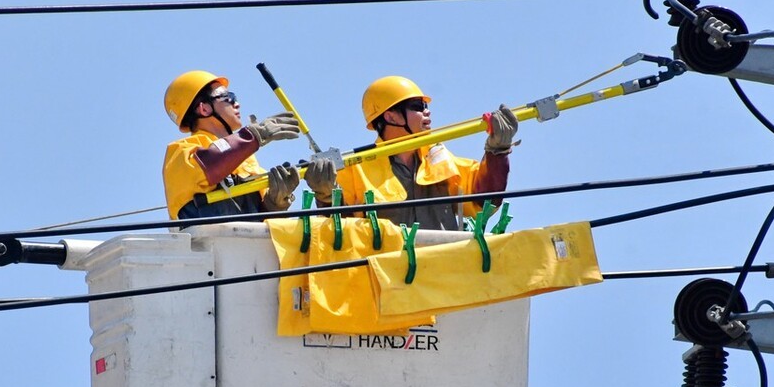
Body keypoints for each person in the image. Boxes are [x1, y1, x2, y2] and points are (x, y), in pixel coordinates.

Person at [303, 75, 518, 231]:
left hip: (443, 276)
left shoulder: (438, 158)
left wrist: (497, 152)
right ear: (392, 116)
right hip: (386, 281)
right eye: (417, 106)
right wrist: (326, 195)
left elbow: (485, 203)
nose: (427, 111)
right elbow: (340, 230)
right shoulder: (356, 170)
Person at [162, 70, 305, 221]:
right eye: (228, 98)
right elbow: (209, 164)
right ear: (204, 109)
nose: (237, 103)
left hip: (243, 242)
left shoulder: (247, 162)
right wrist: (253, 136)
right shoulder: (181, 152)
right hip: (210, 242)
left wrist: (276, 203)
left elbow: (261, 220)